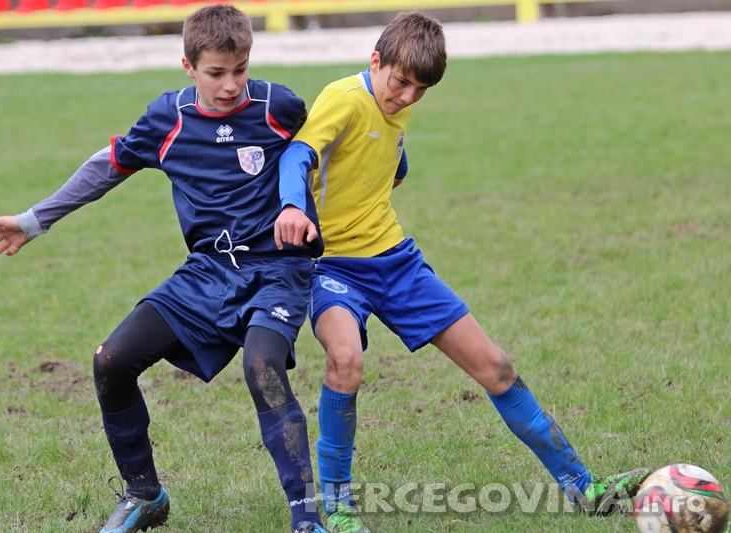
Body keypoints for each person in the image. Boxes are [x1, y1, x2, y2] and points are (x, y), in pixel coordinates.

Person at [278, 11, 650, 533]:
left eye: (420, 90)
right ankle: (335, 511)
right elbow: (297, 156)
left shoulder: (397, 104)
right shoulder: (344, 97)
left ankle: (582, 487)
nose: (406, 97)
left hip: (396, 262)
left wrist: (384, 174)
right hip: (332, 267)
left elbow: (388, 160)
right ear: (376, 60)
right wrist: (295, 207)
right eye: (400, 82)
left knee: (496, 367)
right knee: (345, 360)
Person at [0, 5, 329, 533]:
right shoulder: (168, 119)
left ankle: (307, 520)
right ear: (188, 66)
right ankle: (145, 495)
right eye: (216, 72)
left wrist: (388, 164)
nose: (231, 85)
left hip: (278, 270)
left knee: (263, 368)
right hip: (206, 272)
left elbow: (330, 140)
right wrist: (34, 220)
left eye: (241, 69)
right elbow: (108, 165)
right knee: (111, 361)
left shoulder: (278, 105)